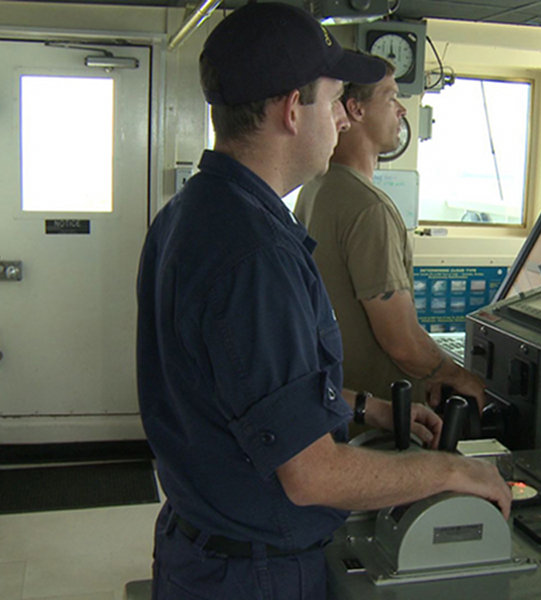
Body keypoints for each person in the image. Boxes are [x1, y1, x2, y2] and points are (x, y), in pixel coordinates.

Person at [136, 3, 511, 599]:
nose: (342, 116)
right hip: (253, 575)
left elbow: (248, 392)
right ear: (292, 109)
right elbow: (311, 475)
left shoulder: (193, 212)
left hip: (202, 543)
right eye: (335, 99)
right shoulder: (254, 254)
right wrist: (450, 469)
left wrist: (367, 409)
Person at [295, 62, 486, 413]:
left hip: (338, 401)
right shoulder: (368, 208)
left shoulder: (317, 187)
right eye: (392, 98)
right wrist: (458, 375)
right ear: (356, 109)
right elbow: (402, 344)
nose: (401, 110)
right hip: (383, 418)